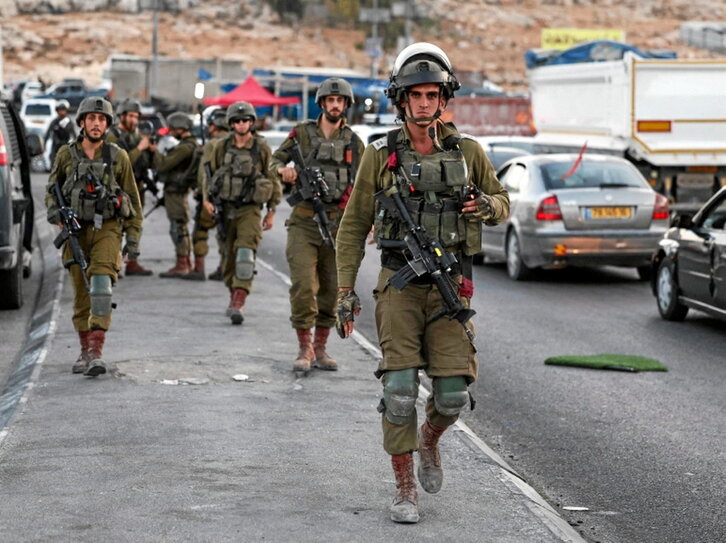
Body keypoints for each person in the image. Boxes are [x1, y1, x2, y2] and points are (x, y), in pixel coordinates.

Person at [334, 43, 510, 523]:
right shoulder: (379, 155)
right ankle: (404, 487)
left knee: (451, 394)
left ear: (444, 97)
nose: (424, 103)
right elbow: (352, 227)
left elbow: (502, 201)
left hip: (452, 284)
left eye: (433, 94)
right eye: (416, 94)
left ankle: (429, 439)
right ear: (401, 98)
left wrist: (486, 207)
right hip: (399, 285)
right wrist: (345, 292)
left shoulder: (469, 152)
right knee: (398, 390)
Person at [269, 78, 365, 373]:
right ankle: (304, 346)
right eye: (330, 100)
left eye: (340, 101)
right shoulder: (301, 134)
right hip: (304, 221)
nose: (335, 105)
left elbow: (365, 184)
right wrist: (282, 170)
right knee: (303, 285)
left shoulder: (353, 142)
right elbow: (274, 160)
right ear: (322, 103)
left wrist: (369, 222)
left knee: (332, 289)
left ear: (346, 105)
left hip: (339, 224)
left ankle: (321, 348)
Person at [45, 97, 142, 376]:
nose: (96, 124)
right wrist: (58, 220)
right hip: (75, 231)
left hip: (108, 229)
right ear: (82, 122)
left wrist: (132, 240)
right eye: (91, 119)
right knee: (81, 294)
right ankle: (84, 350)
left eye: (101, 119)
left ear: (108, 124)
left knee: (101, 286)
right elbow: (52, 192)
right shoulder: (66, 154)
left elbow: (132, 201)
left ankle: (95, 352)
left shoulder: (118, 156)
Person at [205, 101, 280, 323]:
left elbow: (272, 177)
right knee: (228, 258)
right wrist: (207, 199)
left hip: (250, 209)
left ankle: (239, 300)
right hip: (225, 208)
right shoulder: (221, 146)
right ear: (230, 123)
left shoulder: (261, 148)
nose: (241, 124)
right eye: (237, 121)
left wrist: (272, 210)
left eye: (245, 120)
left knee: (245, 255)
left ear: (251, 122)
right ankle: (233, 295)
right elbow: (210, 174)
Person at [106, 98, 154, 276]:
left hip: (137, 187)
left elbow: (146, 163)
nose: (134, 120)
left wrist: (151, 151)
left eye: (136, 117)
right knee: (116, 227)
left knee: (135, 225)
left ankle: (132, 261)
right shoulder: (112, 137)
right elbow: (120, 165)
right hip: (119, 188)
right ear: (121, 116)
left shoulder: (137, 135)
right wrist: (140, 149)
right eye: (131, 116)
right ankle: (114, 264)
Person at [153, 112, 201, 278]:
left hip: (177, 191)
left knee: (177, 227)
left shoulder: (185, 147)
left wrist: (155, 151)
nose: (171, 132)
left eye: (173, 129)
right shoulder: (189, 145)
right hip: (176, 190)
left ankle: (182, 264)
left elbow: (164, 165)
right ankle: (185, 262)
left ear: (181, 128)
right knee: (180, 226)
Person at [185, 109, 230, 281]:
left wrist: (201, 192)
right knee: (224, 233)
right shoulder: (233, 142)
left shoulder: (212, 144)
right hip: (229, 196)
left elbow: (204, 172)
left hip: (211, 195)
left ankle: (199, 268)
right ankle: (224, 268)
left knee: (200, 231)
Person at [45, 99, 77, 166]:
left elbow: (74, 135)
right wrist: (44, 144)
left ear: (67, 111)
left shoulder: (69, 122)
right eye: (60, 110)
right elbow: (48, 133)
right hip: (55, 147)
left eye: (63, 110)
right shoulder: (54, 122)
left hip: (66, 146)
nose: (62, 112)